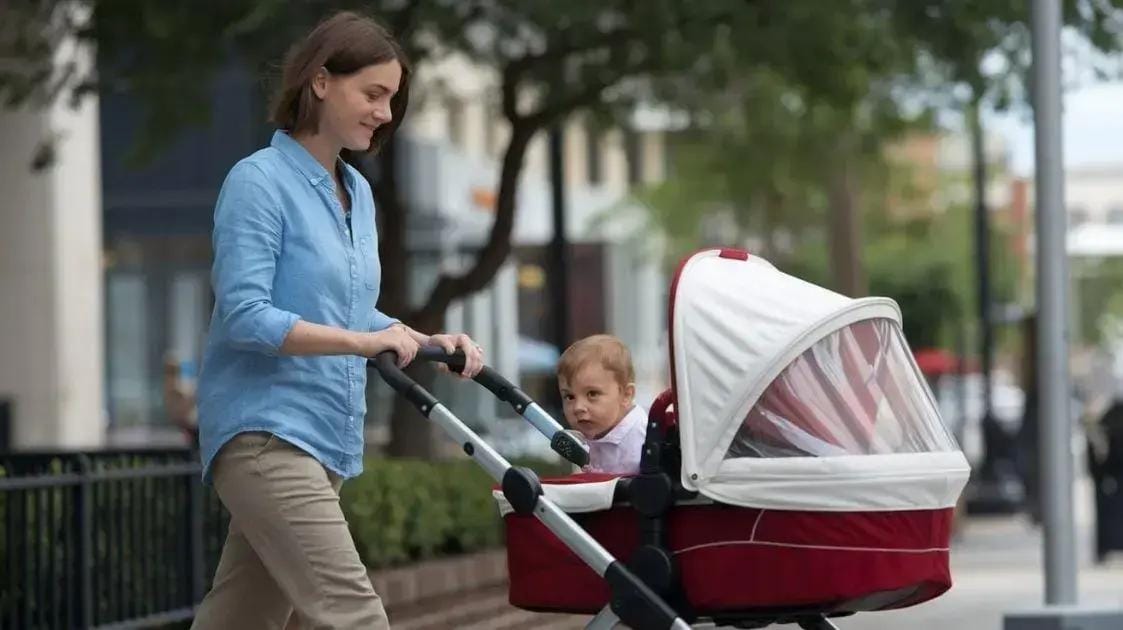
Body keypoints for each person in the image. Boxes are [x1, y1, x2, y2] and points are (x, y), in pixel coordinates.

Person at [190, 11, 483, 630]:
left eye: (392, 100)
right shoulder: (258, 183)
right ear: (321, 81)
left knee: (240, 620)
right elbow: (245, 316)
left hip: (325, 438)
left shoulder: (357, 191)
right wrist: (362, 341)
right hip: (266, 436)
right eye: (372, 93)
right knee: (356, 617)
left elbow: (348, 309)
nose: (384, 113)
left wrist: (427, 341)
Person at [557, 334, 647, 475]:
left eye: (592, 394)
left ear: (626, 395)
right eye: (569, 396)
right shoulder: (591, 433)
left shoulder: (642, 439)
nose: (578, 407)